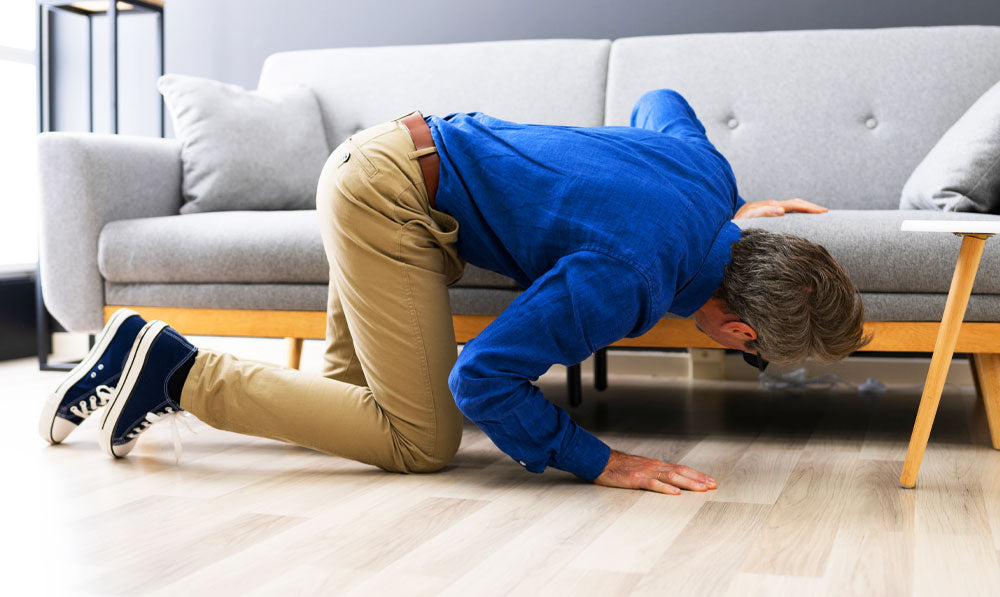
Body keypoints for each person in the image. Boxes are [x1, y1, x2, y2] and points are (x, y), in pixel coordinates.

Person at [38, 89, 869, 495]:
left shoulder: (709, 173)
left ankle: (136, 358)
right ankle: (173, 368)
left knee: (347, 407)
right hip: (388, 199)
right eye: (759, 356)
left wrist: (724, 204)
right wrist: (600, 459)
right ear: (737, 332)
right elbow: (483, 377)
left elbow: (662, 100)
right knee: (422, 442)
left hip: (393, 166)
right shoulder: (631, 277)